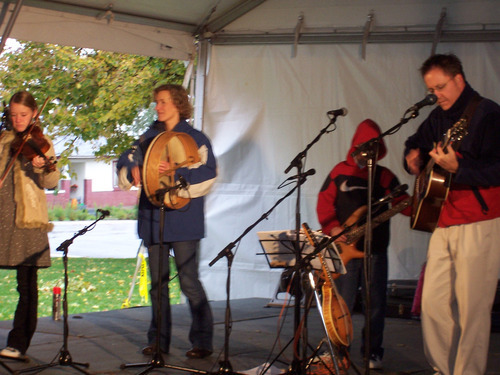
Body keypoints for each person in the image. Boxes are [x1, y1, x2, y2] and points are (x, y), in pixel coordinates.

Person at [404, 53, 500, 375]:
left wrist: (461, 168)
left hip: (480, 219)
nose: (436, 95)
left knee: (473, 308)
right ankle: (442, 369)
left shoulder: (489, 114)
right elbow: (414, 141)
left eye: (441, 87)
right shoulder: (436, 117)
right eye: (431, 90)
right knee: (432, 304)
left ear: (459, 79)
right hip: (442, 218)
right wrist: (412, 156)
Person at [117, 84, 217, 359]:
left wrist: (176, 172)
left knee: (189, 283)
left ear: (177, 104)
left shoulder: (195, 138)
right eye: (156, 103)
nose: (157, 107)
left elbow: (208, 173)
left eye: (162, 102)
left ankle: (202, 341)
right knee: (157, 284)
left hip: (184, 219)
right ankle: (158, 341)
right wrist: (133, 168)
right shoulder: (147, 138)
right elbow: (124, 162)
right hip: (153, 217)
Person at [316, 119, 411, 370]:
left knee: (376, 304)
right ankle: (337, 349)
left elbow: (406, 205)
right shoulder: (339, 172)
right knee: (341, 302)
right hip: (345, 249)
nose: (365, 155)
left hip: (375, 250)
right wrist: (333, 228)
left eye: (372, 150)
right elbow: (324, 203)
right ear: (354, 147)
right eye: (362, 149)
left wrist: (422, 200)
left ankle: (372, 351)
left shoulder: (385, 176)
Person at [0, 91, 60, 360]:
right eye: (13, 114)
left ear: (34, 113)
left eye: (23, 114)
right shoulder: (2, 140)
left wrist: (41, 167)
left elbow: (52, 182)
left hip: (27, 220)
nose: (17, 119)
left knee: (26, 284)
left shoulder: (42, 142)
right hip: (2, 216)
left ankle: (19, 342)